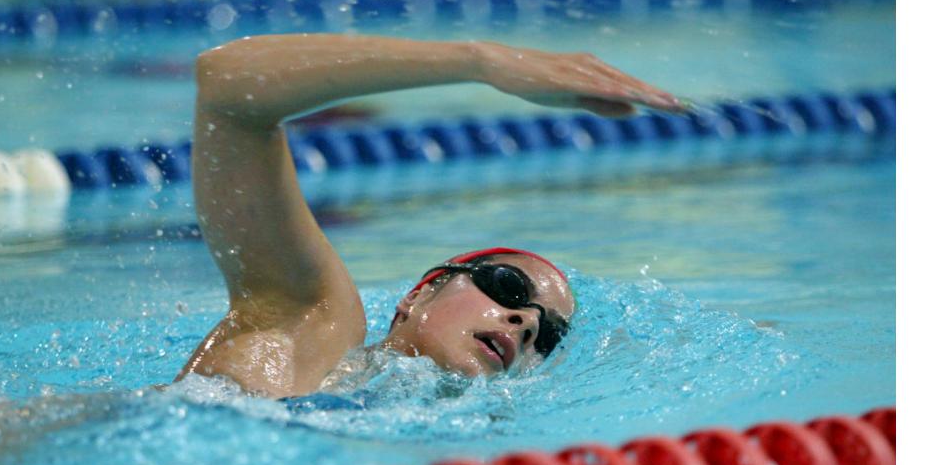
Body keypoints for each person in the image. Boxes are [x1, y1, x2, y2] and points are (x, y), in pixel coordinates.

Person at [176, 33, 682, 398]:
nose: (527, 321)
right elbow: (228, 88)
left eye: (547, 337)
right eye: (508, 286)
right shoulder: (307, 329)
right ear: (419, 293)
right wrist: (480, 60)